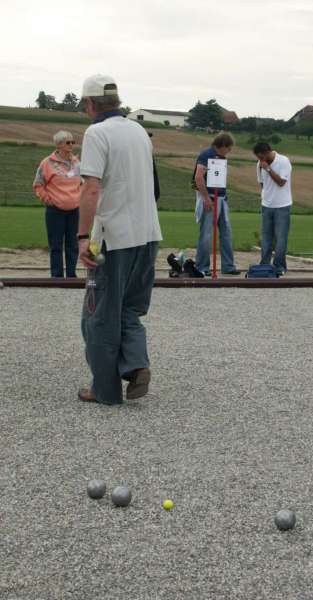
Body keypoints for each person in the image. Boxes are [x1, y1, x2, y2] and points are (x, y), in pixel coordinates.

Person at [76, 74, 162, 406]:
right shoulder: (139, 131)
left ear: (91, 104)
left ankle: (105, 390)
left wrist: (83, 238)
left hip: (108, 238)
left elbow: (91, 188)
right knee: (129, 307)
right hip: (148, 235)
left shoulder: (97, 133)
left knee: (97, 313)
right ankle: (137, 363)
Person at [33, 130, 81, 277]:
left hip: (74, 210)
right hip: (55, 211)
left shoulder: (77, 162)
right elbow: (38, 184)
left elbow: (83, 182)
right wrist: (48, 200)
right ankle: (57, 276)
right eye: (68, 142)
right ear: (58, 144)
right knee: (56, 245)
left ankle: (72, 275)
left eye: (73, 142)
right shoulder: (46, 163)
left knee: (73, 244)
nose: (72, 145)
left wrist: (81, 197)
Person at [193, 132, 240, 275]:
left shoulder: (220, 157)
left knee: (226, 233)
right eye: (229, 147)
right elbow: (198, 178)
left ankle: (228, 266)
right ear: (223, 145)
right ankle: (202, 267)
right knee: (206, 234)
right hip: (211, 198)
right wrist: (206, 198)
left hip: (221, 198)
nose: (230, 151)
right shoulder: (206, 155)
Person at [253, 142, 293, 276]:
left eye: (261, 157)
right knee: (266, 238)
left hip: (282, 206)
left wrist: (268, 169)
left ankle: (279, 266)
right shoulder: (259, 165)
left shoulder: (283, 161)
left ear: (268, 152)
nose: (260, 160)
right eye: (258, 158)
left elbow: (281, 182)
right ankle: (264, 265)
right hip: (266, 206)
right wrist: (266, 197)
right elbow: (262, 184)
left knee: (281, 238)